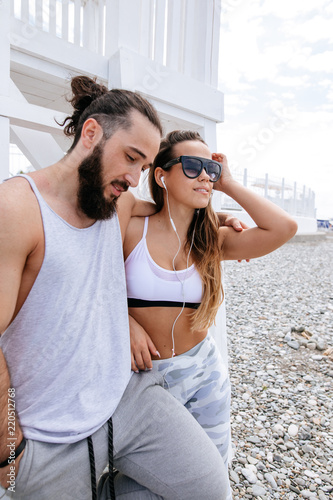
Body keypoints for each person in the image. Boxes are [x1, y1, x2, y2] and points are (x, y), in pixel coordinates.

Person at [0, 76, 242, 500]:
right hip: (47, 433)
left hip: (128, 397)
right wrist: (8, 450)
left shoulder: (117, 201)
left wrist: (220, 219)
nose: (134, 178)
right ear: (91, 133)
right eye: (130, 158)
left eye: (145, 167)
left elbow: (173, 211)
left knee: (210, 488)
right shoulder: (17, 209)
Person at [124, 130, 298, 498]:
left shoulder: (212, 241)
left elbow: (284, 228)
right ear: (161, 175)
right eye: (192, 166)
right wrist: (122, 321)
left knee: (211, 479)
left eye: (211, 168)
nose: (205, 175)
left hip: (203, 375)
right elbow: (89, 282)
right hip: (142, 379)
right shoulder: (129, 227)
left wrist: (229, 183)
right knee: (148, 479)